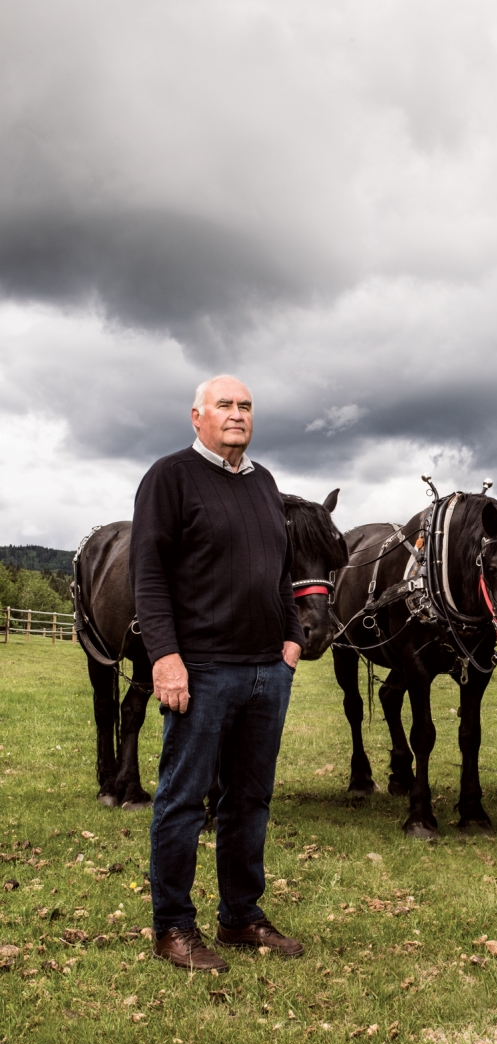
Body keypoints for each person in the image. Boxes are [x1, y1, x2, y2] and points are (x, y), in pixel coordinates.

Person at [130, 375, 305, 970]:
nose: (237, 415)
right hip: (200, 670)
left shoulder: (265, 483)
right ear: (197, 416)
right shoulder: (170, 477)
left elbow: (279, 571)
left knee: (249, 799)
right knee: (182, 800)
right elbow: (148, 575)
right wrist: (165, 656)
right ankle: (173, 927)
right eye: (225, 406)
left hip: (265, 672)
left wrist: (292, 637)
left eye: (246, 406)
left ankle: (241, 918)